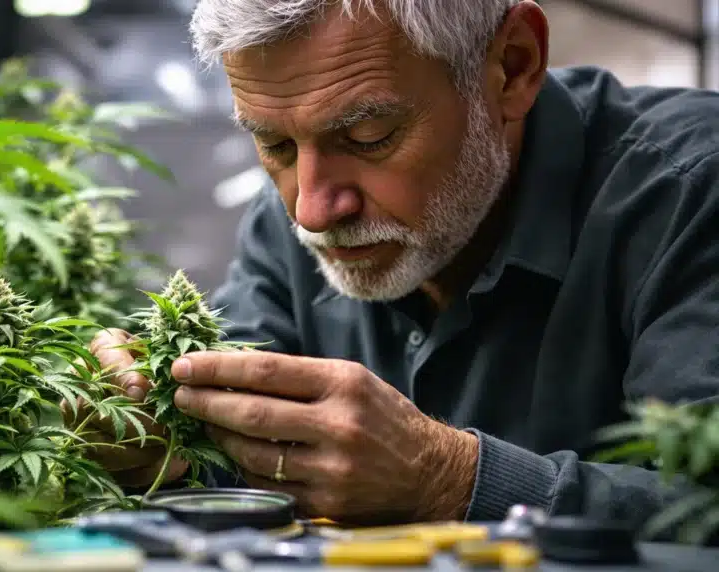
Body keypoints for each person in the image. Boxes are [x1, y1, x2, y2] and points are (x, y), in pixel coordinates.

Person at [66, 0, 719, 528]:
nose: (313, 212)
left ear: (512, 68)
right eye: (274, 145)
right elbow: (229, 457)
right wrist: (161, 446)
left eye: (367, 137)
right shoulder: (283, 226)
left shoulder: (692, 191)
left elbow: (702, 503)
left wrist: (453, 480)